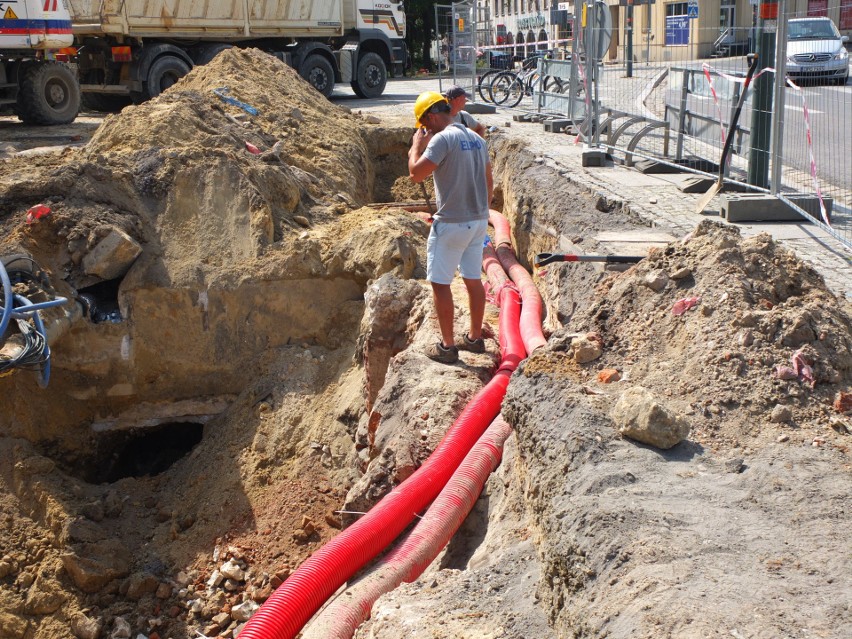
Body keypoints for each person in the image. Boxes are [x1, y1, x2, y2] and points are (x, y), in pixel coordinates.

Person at [408, 91, 493, 364]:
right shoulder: (478, 140)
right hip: (478, 220)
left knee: (440, 283)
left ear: (431, 117)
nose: (425, 130)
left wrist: (415, 147)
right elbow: (488, 181)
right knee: (473, 279)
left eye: (424, 124)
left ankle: (447, 346)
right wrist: (481, 211)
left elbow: (415, 174)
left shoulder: (443, 138)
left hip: (452, 223)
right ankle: (474, 338)